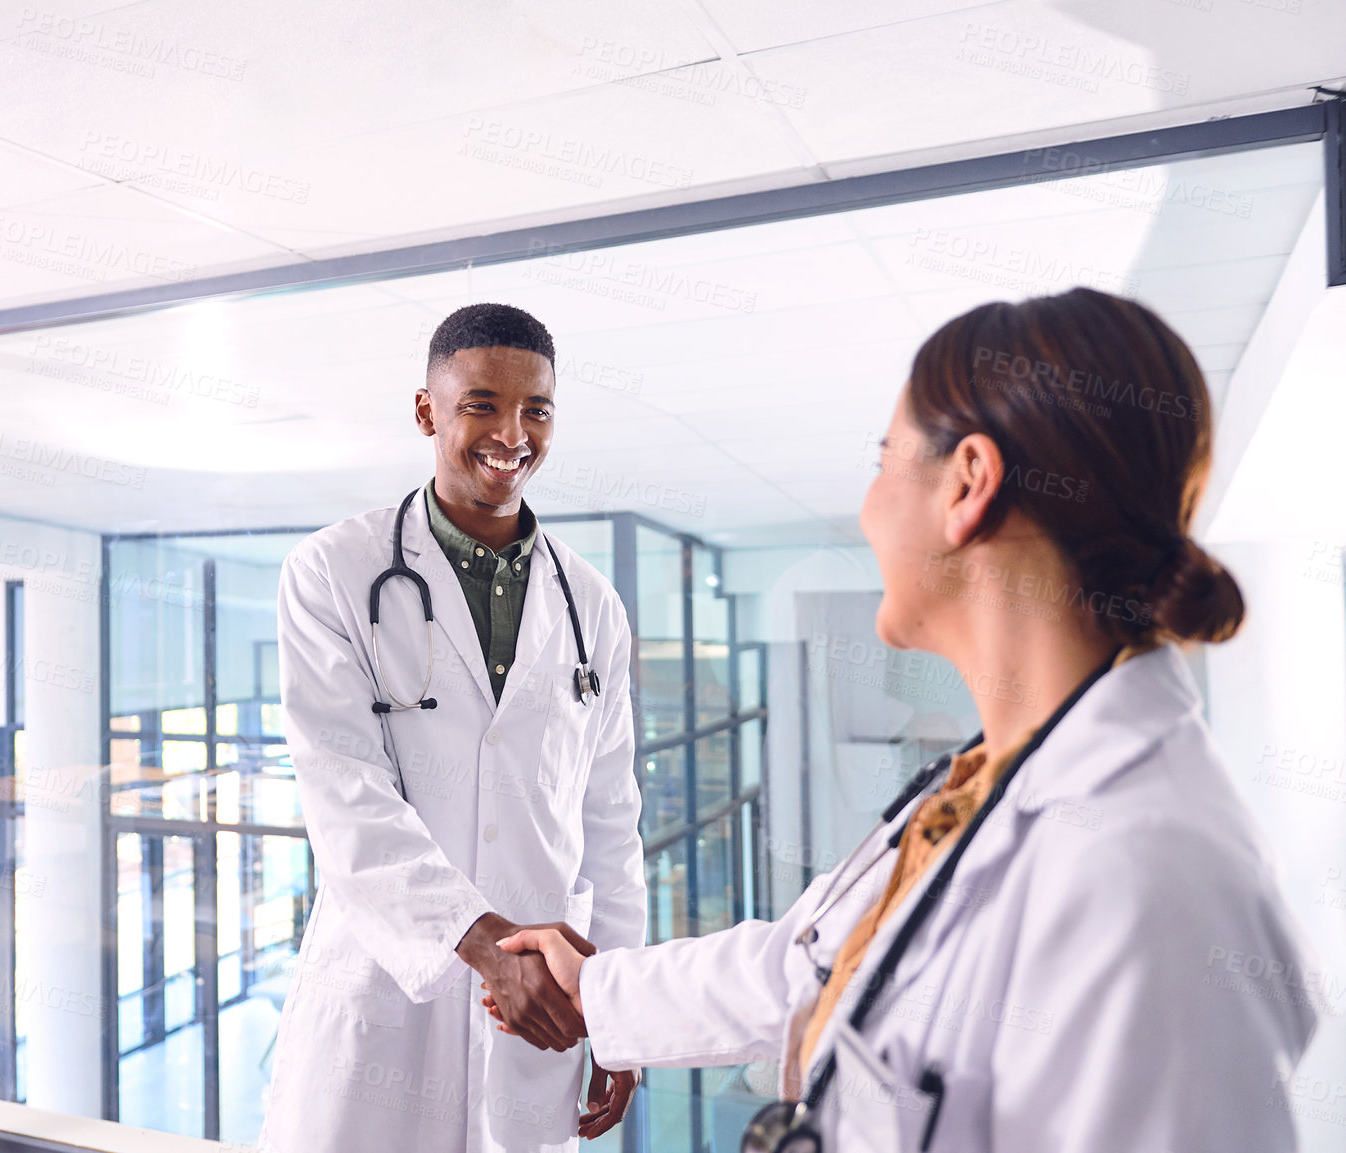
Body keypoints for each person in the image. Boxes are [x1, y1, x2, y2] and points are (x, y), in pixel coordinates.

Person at [492, 288, 1320, 1152]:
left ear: (969, 483)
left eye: (885, 459)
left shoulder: (1145, 876)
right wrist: (594, 988)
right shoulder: (990, 782)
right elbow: (807, 967)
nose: (867, 506)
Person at [259, 303, 646, 1153]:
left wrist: (624, 1008)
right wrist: (483, 949)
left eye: (536, 409)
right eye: (482, 404)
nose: (512, 432)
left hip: (543, 1008)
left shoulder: (594, 610)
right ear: (428, 411)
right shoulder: (333, 572)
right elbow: (344, 791)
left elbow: (611, 821)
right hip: (387, 989)